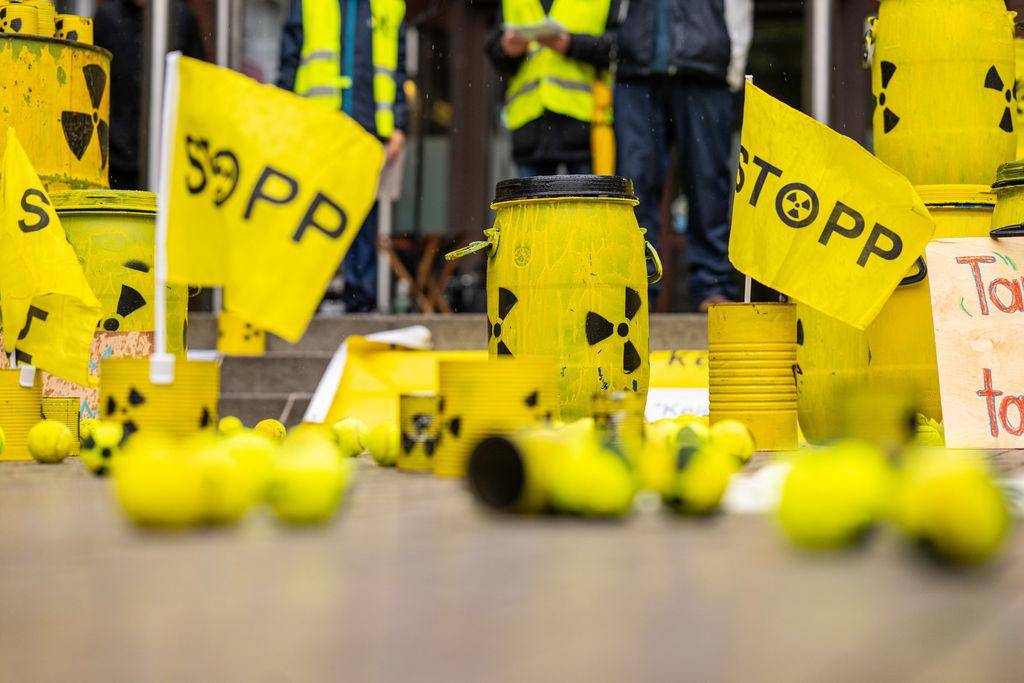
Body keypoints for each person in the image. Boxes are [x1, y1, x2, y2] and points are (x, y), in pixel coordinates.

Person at [611, 0, 752, 312]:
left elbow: (739, 6)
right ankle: (636, 287)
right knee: (634, 185)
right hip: (636, 73)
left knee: (707, 182)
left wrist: (733, 67)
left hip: (705, 71)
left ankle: (711, 286)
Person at [278, 0, 408, 313]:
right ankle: (310, 293)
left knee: (363, 213)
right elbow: (290, 59)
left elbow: (398, 68)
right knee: (313, 211)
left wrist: (398, 124)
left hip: (368, 127)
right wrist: (284, 114)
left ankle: (360, 295)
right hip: (319, 125)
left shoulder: (389, 6)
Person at [486, 0, 620, 177]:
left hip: (585, 127)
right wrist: (507, 50)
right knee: (532, 204)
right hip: (529, 130)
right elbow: (495, 50)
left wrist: (571, 44)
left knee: (586, 203)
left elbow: (619, 47)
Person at [94, 0, 206, 190]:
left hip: (167, 154)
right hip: (115, 159)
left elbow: (195, 85)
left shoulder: (181, 18)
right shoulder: (108, 18)